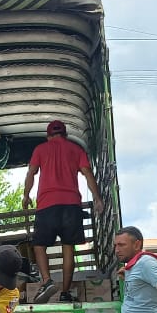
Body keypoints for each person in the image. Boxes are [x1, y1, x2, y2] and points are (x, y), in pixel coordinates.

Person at [22, 119, 104, 303]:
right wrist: (98, 199)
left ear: (48, 135)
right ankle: (65, 292)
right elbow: (88, 174)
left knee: (39, 245)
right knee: (69, 249)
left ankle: (46, 281)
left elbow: (31, 173)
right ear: (65, 134)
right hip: (71, 205)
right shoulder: (76, 150)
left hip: (47, 205)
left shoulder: (40, 150)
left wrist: (26, 196)